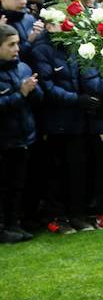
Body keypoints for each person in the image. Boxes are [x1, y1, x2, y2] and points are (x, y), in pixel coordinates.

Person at [0, 23, 42, 243]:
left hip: (24, 138)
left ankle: (14, 224)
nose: (17, 49)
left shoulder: (23, 68)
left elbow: (39, 98)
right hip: (4, 140)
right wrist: (21, 93)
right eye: (11, 45)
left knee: (17, 187)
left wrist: (33, 90)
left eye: (17, 43)